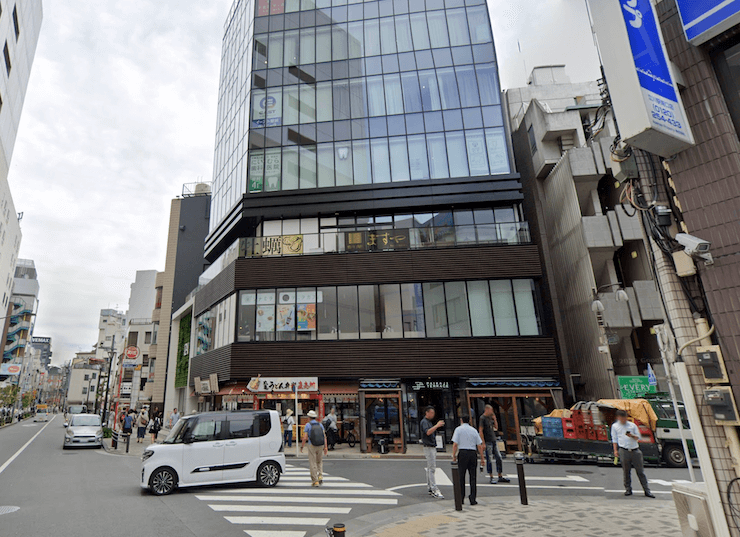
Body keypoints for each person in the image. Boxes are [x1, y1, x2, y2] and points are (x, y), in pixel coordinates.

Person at [611, 410, 655, 498]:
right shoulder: (615, 426)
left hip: (635, 450)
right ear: (618, 418)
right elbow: (614, 439)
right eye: (621, 418)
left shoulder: (632, 425)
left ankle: (647, 490)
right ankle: (628, 489)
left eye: (624, 418)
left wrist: (631, 435)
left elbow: (638, 437)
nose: (623, 420)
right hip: (623, 450)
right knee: (626, 471)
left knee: (640, 472)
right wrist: (615, 451)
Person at [452, 412, 485, 505]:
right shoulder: (473, 430)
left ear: (461, 420)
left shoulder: (458, 429)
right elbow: (479, 445)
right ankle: (472, 498)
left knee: (461, 476)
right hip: (472, 453)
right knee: (473, 477)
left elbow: (455, 444)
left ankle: (461, 497)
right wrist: (482, 458)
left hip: (462, 453)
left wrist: (453, 455)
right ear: (469, 421)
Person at [478, 404, 510, 484]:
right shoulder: (482, 418)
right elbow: (480, 430)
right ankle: (491, 476)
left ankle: (500, 475)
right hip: (487, 440)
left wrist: (495, 419)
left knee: (499, 457)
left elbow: (496, 427)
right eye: (491, 410)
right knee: (489, 459)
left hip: (493, 439)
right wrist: (483, 442)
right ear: (487, 410)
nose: (492, 412)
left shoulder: (489, 418)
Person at [420, 406, 445, 499]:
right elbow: (428, 432)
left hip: (430, 446)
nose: (433, 415)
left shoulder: (428, 422)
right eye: (431, 413)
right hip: (429, 447)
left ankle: (430, 487)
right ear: (427, 413)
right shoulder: (425, 422)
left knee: (430, 468)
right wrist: (437, 425)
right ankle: (434, 488)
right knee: (432, 468)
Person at [300, 410, 328, 487]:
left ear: (309, 417)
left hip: (312, 445)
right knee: (319, 461)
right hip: (321, 445)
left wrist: (302, 446)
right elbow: (324, 436)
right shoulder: (320, 425)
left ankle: (315, 480)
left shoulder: (308, 425)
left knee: (313, 463)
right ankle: (320, 475)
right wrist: (325, 447)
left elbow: (305, 437)